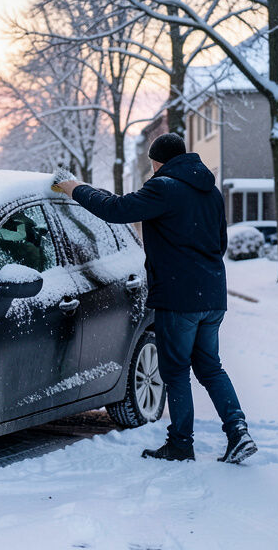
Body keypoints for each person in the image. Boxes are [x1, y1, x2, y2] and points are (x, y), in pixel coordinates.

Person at [53, 133, 257, 464]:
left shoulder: (164, 187)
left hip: (178, 298)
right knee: (210, 367)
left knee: (175, 372)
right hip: (213, 296)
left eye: (152, 164)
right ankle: (238, 432)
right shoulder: (212, 192)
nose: (151, 170)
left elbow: (115, 208)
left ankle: (180, 443)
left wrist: (74, 187)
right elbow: (220, 244)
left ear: (159, 162)